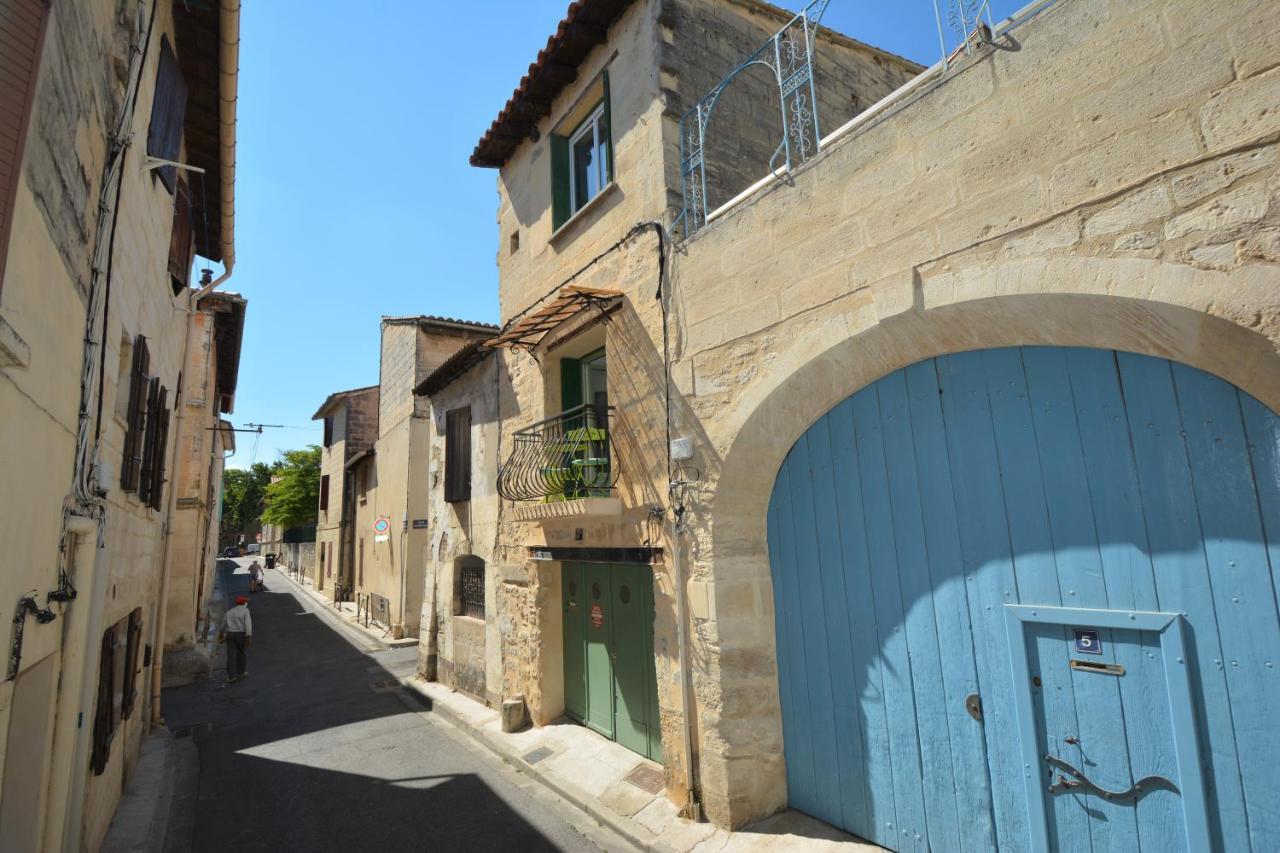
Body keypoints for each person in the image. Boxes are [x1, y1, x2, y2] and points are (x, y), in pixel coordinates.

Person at [220, 595, 253, 682]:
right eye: (245, 601)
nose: (246, 603)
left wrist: (221, 634)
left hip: (230, 634)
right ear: (243, 603)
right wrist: (248, 636)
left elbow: (223, 625)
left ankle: (231, 676)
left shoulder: (229, 612)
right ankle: (240, 672)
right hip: (240, 635)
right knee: (241, 653)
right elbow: (248, 625)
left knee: (231, 655)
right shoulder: (245, 611)